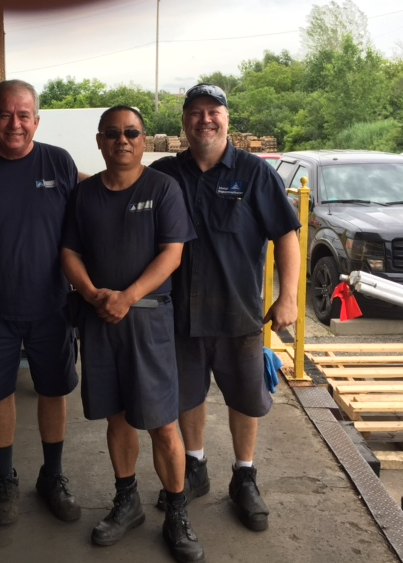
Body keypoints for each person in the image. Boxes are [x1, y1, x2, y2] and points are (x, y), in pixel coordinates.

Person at [150, 84, 301, 532]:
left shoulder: (255, 173)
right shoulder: (164, 174)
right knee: (187, 396)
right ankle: (194, 466)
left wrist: (288, 296)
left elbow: (286, 235)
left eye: (213, 111)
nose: (205, 120)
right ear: (184, 121)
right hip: (178, 313)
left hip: (239, 313)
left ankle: (244, 476)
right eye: (195, 112)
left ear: (227, 119)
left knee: (245, 397)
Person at [61, 106, 205, 563]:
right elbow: (69, 251)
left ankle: (176, 512)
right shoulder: (84, 195)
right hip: (99, 319)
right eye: (112, 133)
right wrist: (91, 294)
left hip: (147, 319)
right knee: (116, 416)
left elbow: (172, 254)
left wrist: (127, 296)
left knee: (162, 422)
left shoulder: (163, 188)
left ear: (143, 140)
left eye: (131, 133)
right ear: (99, 141)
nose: (122, 140)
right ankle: (127, 502)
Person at [0, 79, 81, 526]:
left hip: (52, 304)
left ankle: (52, 475)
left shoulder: (59, 162)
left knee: (53, 389)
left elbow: (85, 223)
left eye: (23, 115)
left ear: (36, 121)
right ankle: (4, 478)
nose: (15, 124)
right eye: (5, 115)